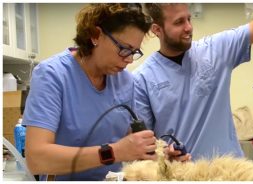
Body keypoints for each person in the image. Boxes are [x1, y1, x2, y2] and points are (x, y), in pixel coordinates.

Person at [22, 3, 157, 181]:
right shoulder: (52, 75)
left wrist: (159, 153)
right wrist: (112, 152)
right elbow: (37, 159)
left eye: (134, 51)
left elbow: (129, 144)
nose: (129, 60)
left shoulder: (125, 81)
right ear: (95, 35)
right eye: (124, 49)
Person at [133, 3, 253, 160]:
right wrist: (164, 154)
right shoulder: (142, 79)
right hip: (184, 175)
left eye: (189, 19)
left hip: (232, 170)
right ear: (157, 29)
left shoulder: (215, 50)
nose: (188, 27)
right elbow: (146, 146)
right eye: (179, 22)